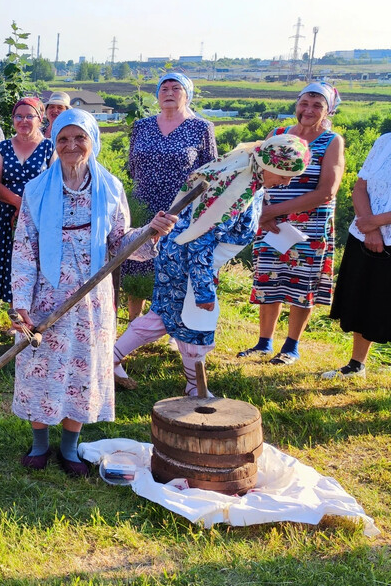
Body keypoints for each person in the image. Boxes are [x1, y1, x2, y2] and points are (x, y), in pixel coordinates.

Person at [11, 109, 176, 476]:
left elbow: (119, 242)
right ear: (54, 144)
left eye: (79, 138)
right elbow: (24, 248)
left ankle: (69, 448)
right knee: (40, 369)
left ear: (92, 141)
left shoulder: (111, 187)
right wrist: (21, 302)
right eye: (63, 139)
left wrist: (151, 232)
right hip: (45, 299)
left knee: (81, 371)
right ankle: (40, 444)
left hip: (91, 302)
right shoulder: (36, 190)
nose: (71, 146)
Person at [114, 135, 311, 396]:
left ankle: (110, 361)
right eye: (284, 175)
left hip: (182, 257)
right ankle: (196, 388)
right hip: (190, 262)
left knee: (162, 316)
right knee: (196, 322)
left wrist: (257, 225)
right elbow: (200, 242)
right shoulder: (234, 190)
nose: (286, 182)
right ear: (268, 165)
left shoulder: (248, 173)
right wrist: (204, 291)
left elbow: (229, 222)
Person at [241, 82, 346, 364]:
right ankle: (263, 342)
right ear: (296, 104)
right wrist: (263, 211)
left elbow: (327, 191)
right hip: (269, 221)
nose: (308, 110)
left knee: (302, 284)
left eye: (317, 106)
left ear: (328, 111)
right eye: (304, 103)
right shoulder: (277, 135)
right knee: (268, 277)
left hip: (308, 226)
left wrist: (273, 211)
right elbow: (255, 175)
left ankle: (291, 347)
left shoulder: (331, 141)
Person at [121, 73, 218, 321]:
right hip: (144, 205)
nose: (169, 93)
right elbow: (132, 166)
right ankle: (135, 321)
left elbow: (211, 173)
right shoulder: (142, 126)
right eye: (164, 88)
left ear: (187, 95)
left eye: (176, 88)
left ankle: (173, 326)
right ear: (157, 95)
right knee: (138, 262)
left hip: (181, 208)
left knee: (174, 265)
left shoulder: (201, 128)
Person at [323, 130, 391, 379]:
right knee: (364, 301)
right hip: (366, 236)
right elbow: (361, 186)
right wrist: (369, 228)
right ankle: (356, 365)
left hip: (374, 228)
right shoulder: (385, 141)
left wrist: (375, 221)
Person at [0, 97, 55, 304]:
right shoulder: (3, 147)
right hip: (7, 216)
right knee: (12, 263)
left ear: (40, 119)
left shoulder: (49, 148)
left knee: (36, 264)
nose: (23, 121)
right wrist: (17, 202)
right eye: (18, 116)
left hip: (39, 216)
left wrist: (29, 207)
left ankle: (34, 315)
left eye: (29, 116)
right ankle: (16, 318)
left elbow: (53, 184)